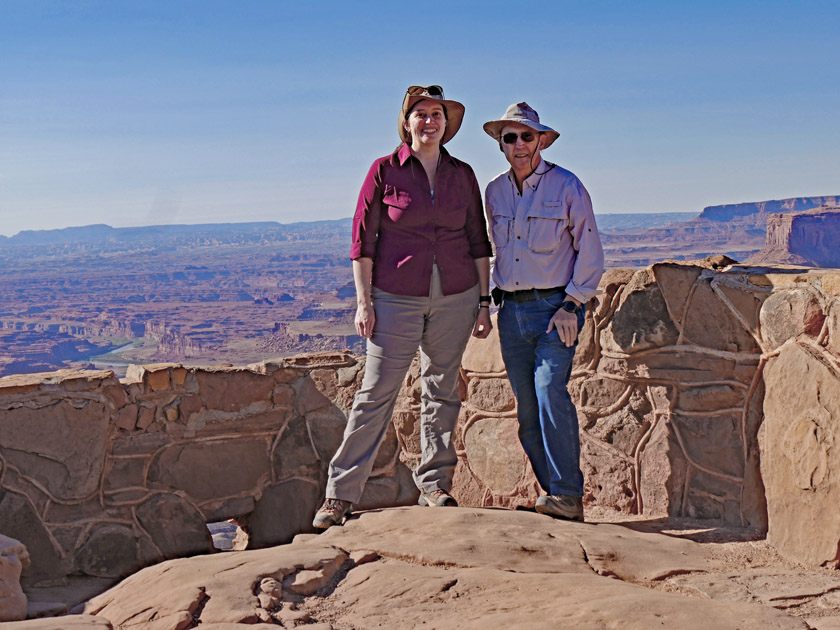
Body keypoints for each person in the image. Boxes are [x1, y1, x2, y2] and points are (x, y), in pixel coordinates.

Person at [312, 85, 493, 529]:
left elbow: (477, 239)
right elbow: (362, 241)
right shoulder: (384, 171)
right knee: (376, 393)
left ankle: (434, 484)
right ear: (407, 122)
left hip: (456, 295)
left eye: (437, 114)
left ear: (446, 124)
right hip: (394, 298)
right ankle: (339, 494)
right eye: (421, 114)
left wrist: (484, 302)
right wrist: (364, 302)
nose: (429, 121)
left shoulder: (462, 174)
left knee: (442, 390)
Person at [482, 102, 604, 521]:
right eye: (510, 137)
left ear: (541, 141)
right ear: (501, 144)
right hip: (511, 313)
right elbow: (493, 251)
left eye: (526, 136)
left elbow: (589, 248)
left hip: (556, 310)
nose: (518, 144)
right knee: (528, 411)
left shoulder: (567, 186)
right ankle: (553, 496)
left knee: (551, 393)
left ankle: (569, 495)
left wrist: (573, 302)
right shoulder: (494, 191)